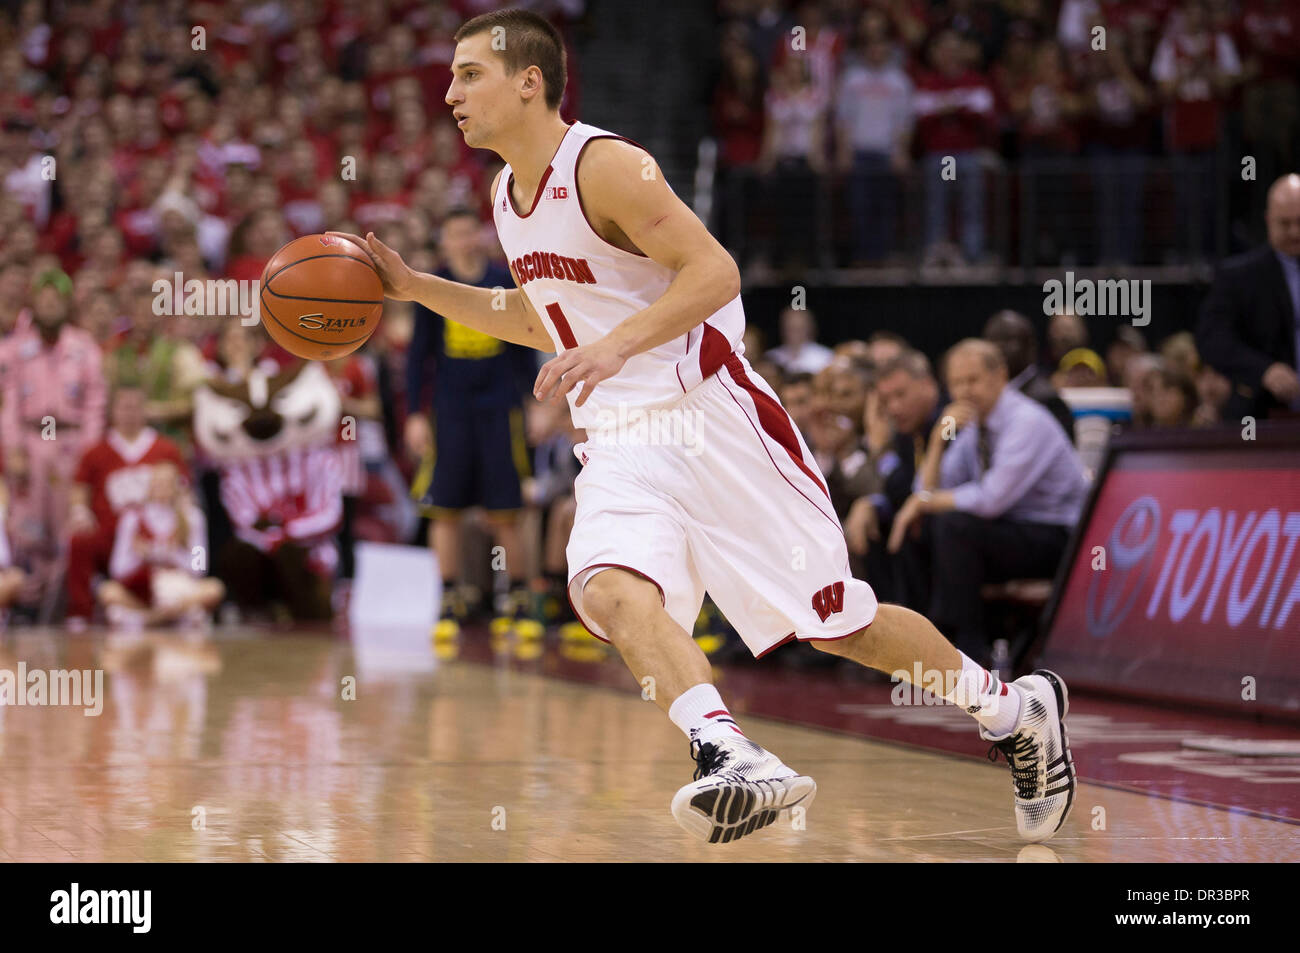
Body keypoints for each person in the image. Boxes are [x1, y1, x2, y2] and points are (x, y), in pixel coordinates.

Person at [333, 8, 1076, 845]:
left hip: (713, 419)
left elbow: (714, 271)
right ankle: (727, 750)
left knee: (840, 624)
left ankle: (1013, 708)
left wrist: (615, 343)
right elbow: (546, 316)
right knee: (607, 585)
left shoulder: (606, 165)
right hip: (618, 437)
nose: (450, 91)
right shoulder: (507, 197)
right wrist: (416, 289)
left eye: (470, 73)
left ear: (528, 80)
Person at [887, 340, 1088, 664]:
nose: (965, 391)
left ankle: (967, 648)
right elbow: (925, 489)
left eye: (973, 380)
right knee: (922, 526)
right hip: (1011, 530)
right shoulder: (974, 425)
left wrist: (924, 502)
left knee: (955, 525)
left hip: (1057, 537)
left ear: (1001, 375)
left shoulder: (1026, 422)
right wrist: (938, 442)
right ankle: (916, 641)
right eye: (956, 383)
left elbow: (992, 499)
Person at [405, 207, 536, 639]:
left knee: (506, 511)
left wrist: (534, 401)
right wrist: (413, 415)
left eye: (469, 231)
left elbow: (524, 350)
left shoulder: (504, 278)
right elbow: (417, 357)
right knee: (445, 510)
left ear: (481, 235)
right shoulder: (433, 286)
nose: (463, 240)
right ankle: (448, 597)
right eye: (454, 234)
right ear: (443, 241)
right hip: (450, 412)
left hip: (500, 411)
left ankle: (516, 598)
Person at [1196, 173, 1300, 419]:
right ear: (1268, 220)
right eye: (1285, 223)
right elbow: (1211, 339)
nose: (1295, 232)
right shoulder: (1239, 276)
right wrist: (1264, 370)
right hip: (1261, 415)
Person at [982, 310, 1075, 439]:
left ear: (1030, 346)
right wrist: (946, 429)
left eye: (1008, 340)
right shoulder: (982, 396)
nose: (999, 348)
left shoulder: (1046, 399)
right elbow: (954, 443)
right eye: (993, 340)